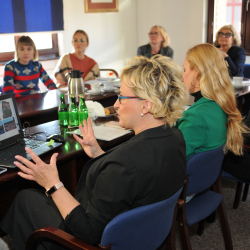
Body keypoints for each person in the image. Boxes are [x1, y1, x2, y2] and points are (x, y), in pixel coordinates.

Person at [0, 55, 188, 249]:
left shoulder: (124, 162)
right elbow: (134, 178)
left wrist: (53, 185)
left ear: (146, 105)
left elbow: (88, 233)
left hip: (88, 241)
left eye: (121, 98)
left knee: (25, 198)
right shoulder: (175, 137)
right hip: (143, 234)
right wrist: (99, 153)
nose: (115, 105)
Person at [177, 43, 247, 160]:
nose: (182, 76)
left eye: (184, 70)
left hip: (189, 175)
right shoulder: (220, 103)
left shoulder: (196, 117)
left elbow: (174, 159)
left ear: (197, 73)